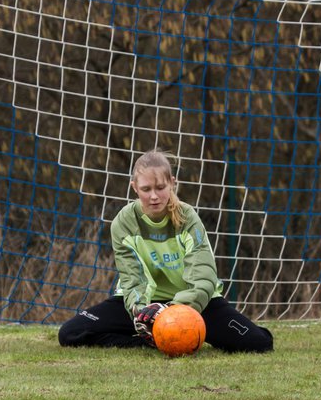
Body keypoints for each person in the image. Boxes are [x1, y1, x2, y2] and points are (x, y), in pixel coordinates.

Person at [58, 150, 273, 353]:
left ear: (172, 183)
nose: (154, 196)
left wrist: (174, 310)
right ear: (134, 188)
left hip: (193, 302)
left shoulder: (188, 218)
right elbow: (132, 279)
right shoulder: (123, 223)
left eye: (160, 187)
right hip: (147, 306)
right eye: (146, 189)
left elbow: (203, 277)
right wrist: (143, 313)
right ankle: (149, 340)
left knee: (259, 343)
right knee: (70, 333)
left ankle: (189, 332)